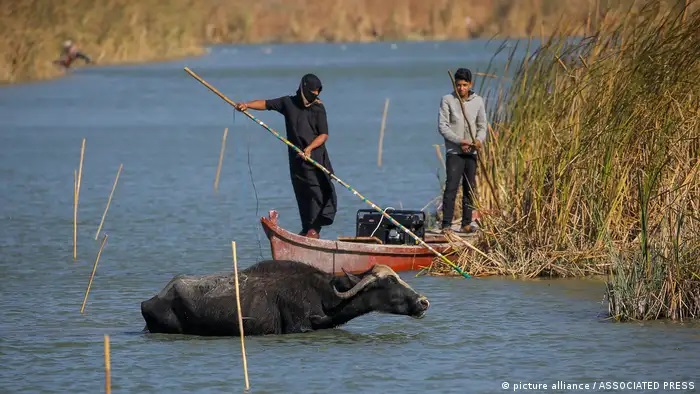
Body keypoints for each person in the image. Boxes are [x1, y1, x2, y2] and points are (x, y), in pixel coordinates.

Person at [234, 74, 337, 239]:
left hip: (315, 158)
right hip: (296, 159)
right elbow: (266, 104)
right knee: (301, 192)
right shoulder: (288, 103)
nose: (315, 96)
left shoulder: (318, 108)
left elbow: (323, 135)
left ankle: (314, 230)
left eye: (317, 93)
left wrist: (309, 148)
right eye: (312, 92)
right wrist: (247, 105)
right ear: (303, 88)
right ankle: (306, 228)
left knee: (316, 194)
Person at [437, 68, 487, 233]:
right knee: (451, 187)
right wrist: (460, 141)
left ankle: (466, 223)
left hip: (471, 152)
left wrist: (478, 141)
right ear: (455, 84)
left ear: (470, 84)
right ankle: (446, 225)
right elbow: (443, 127)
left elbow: (482, 125)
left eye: (465, 85)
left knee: (469, 187)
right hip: (455, 152)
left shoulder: (478, 101)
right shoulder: (447, 100)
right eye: (458, 85)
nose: (461, 88)